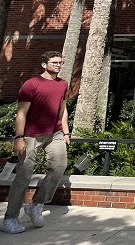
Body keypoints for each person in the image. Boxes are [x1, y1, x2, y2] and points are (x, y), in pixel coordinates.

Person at [2, 51, 70, 234]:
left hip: (54, 133)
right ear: (43, 64)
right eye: (54, 62)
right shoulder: (31, 84)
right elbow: (21, 113)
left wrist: (66, 131)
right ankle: (10, 218)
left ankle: (37, 204)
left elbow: (63, 109)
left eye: (60, 62)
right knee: (23, 176)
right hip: (31, 135)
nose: (58, 65)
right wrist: (19, 137)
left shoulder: (63, 84)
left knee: (59, 166)